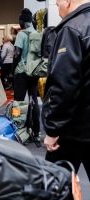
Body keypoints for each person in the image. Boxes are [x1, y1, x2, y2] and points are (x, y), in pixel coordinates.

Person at [41, 0, 90, 180]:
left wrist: (53, 130)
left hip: (73, 129)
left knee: (55, 184)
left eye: (58, 1)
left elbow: (64, 85)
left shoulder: (72, 29)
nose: (56, 3)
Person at [12, 8, 41, 142]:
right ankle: (36, 131)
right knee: (33, 100)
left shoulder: (21, 34)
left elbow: (17, 54)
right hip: (34, 71)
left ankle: (18, 128)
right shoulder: (38, 34)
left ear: (22, 22)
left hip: (21, 72)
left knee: (18, 102)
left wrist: (12, 70)